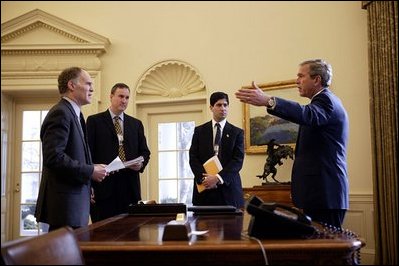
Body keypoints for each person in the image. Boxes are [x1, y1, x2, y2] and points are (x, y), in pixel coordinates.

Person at [235, 59, 349, 228]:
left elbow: (307, 114)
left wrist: (270, 101)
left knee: (325, 250)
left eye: (301, 76)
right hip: (320, 195)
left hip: (325, 195)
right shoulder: (324, 101)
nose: (297, 80)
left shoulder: (327, 101)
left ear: (317, 79)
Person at [35, 67, 108, 232]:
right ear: (71, 85)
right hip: (64, 209)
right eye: (88, 83)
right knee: (64, 258)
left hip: (74, 206)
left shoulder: (75, 114)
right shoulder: (60, 113)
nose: (92, 88)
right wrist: (90, 171)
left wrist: (88, 180)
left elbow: (73, 155)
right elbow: (54, 157)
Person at [87, 83, 151, 222]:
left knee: (131, 236)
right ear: (111, 97)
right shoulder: (94, 121)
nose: (124, 101)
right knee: (103, 235)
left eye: (127, 97)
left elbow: (145, 152)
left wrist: (140, 164)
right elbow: (87, 154)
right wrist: (89, 185)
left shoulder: (136, 124)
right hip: (104, 189)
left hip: (130, 190)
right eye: (121, 96)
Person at [189, 92, 245, 208]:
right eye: (219, 105)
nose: (223, 108)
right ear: (211, 107)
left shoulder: (237, 132)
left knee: (232, 226)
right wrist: (205, 179)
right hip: (205, 192)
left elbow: (237, 161)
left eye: (225, 105)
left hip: (229, 192)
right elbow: (193, 158)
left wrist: (217, 178)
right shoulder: (199, 131)